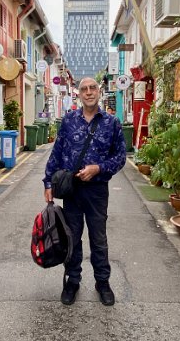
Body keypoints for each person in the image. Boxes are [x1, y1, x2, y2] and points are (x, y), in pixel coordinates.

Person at [43, 77, 126, 306]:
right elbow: (57, 152)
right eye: (84, 89)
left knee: (98, 239)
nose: (88, 92)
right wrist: (48, 182)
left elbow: (120, 157)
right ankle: (73, 281)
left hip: (97, 191)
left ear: (98, 92)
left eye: (92, 88)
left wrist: (98, 168)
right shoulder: (69, 120)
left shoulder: (111, 123)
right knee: (72, 238)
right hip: (72, 190)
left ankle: (102, 282)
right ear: (78, 94)